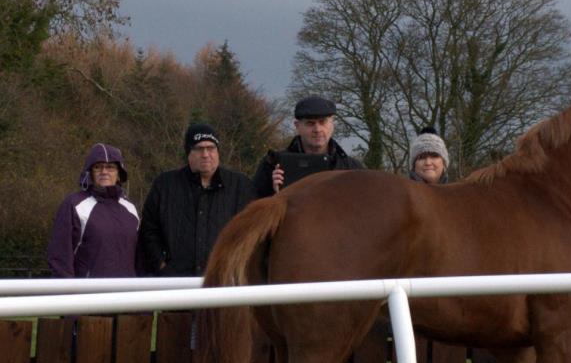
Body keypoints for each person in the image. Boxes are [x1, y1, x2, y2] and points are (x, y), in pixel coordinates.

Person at [139, 123, 255, 276]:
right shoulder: (165, 185)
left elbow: (252, 230)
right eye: (199, 149)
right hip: (174, 282)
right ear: (188, 153)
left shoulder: (240, 186)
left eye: (211, 148)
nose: (205, 154)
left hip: (223, 281)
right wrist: (161, 265)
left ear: (218, 152)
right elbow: (149, 230)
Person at [47, 143, 140, 278]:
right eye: (98, 167)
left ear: (119, 174)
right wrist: (68, 288)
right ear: (90, 172)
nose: (104, 172)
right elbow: (60, 256)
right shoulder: (74, 205)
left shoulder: (130, 208)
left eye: (110, 167)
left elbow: (139, 256)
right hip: (89, 290)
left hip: (127, 289)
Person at [253, 95, 363, 197]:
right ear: (297, 126)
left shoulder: (352, 168)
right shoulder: (272, 165)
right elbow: (253, 207)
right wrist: (274, 194)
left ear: (332, 124)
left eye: (322, 122)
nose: (317, 129)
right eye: (310, 123)